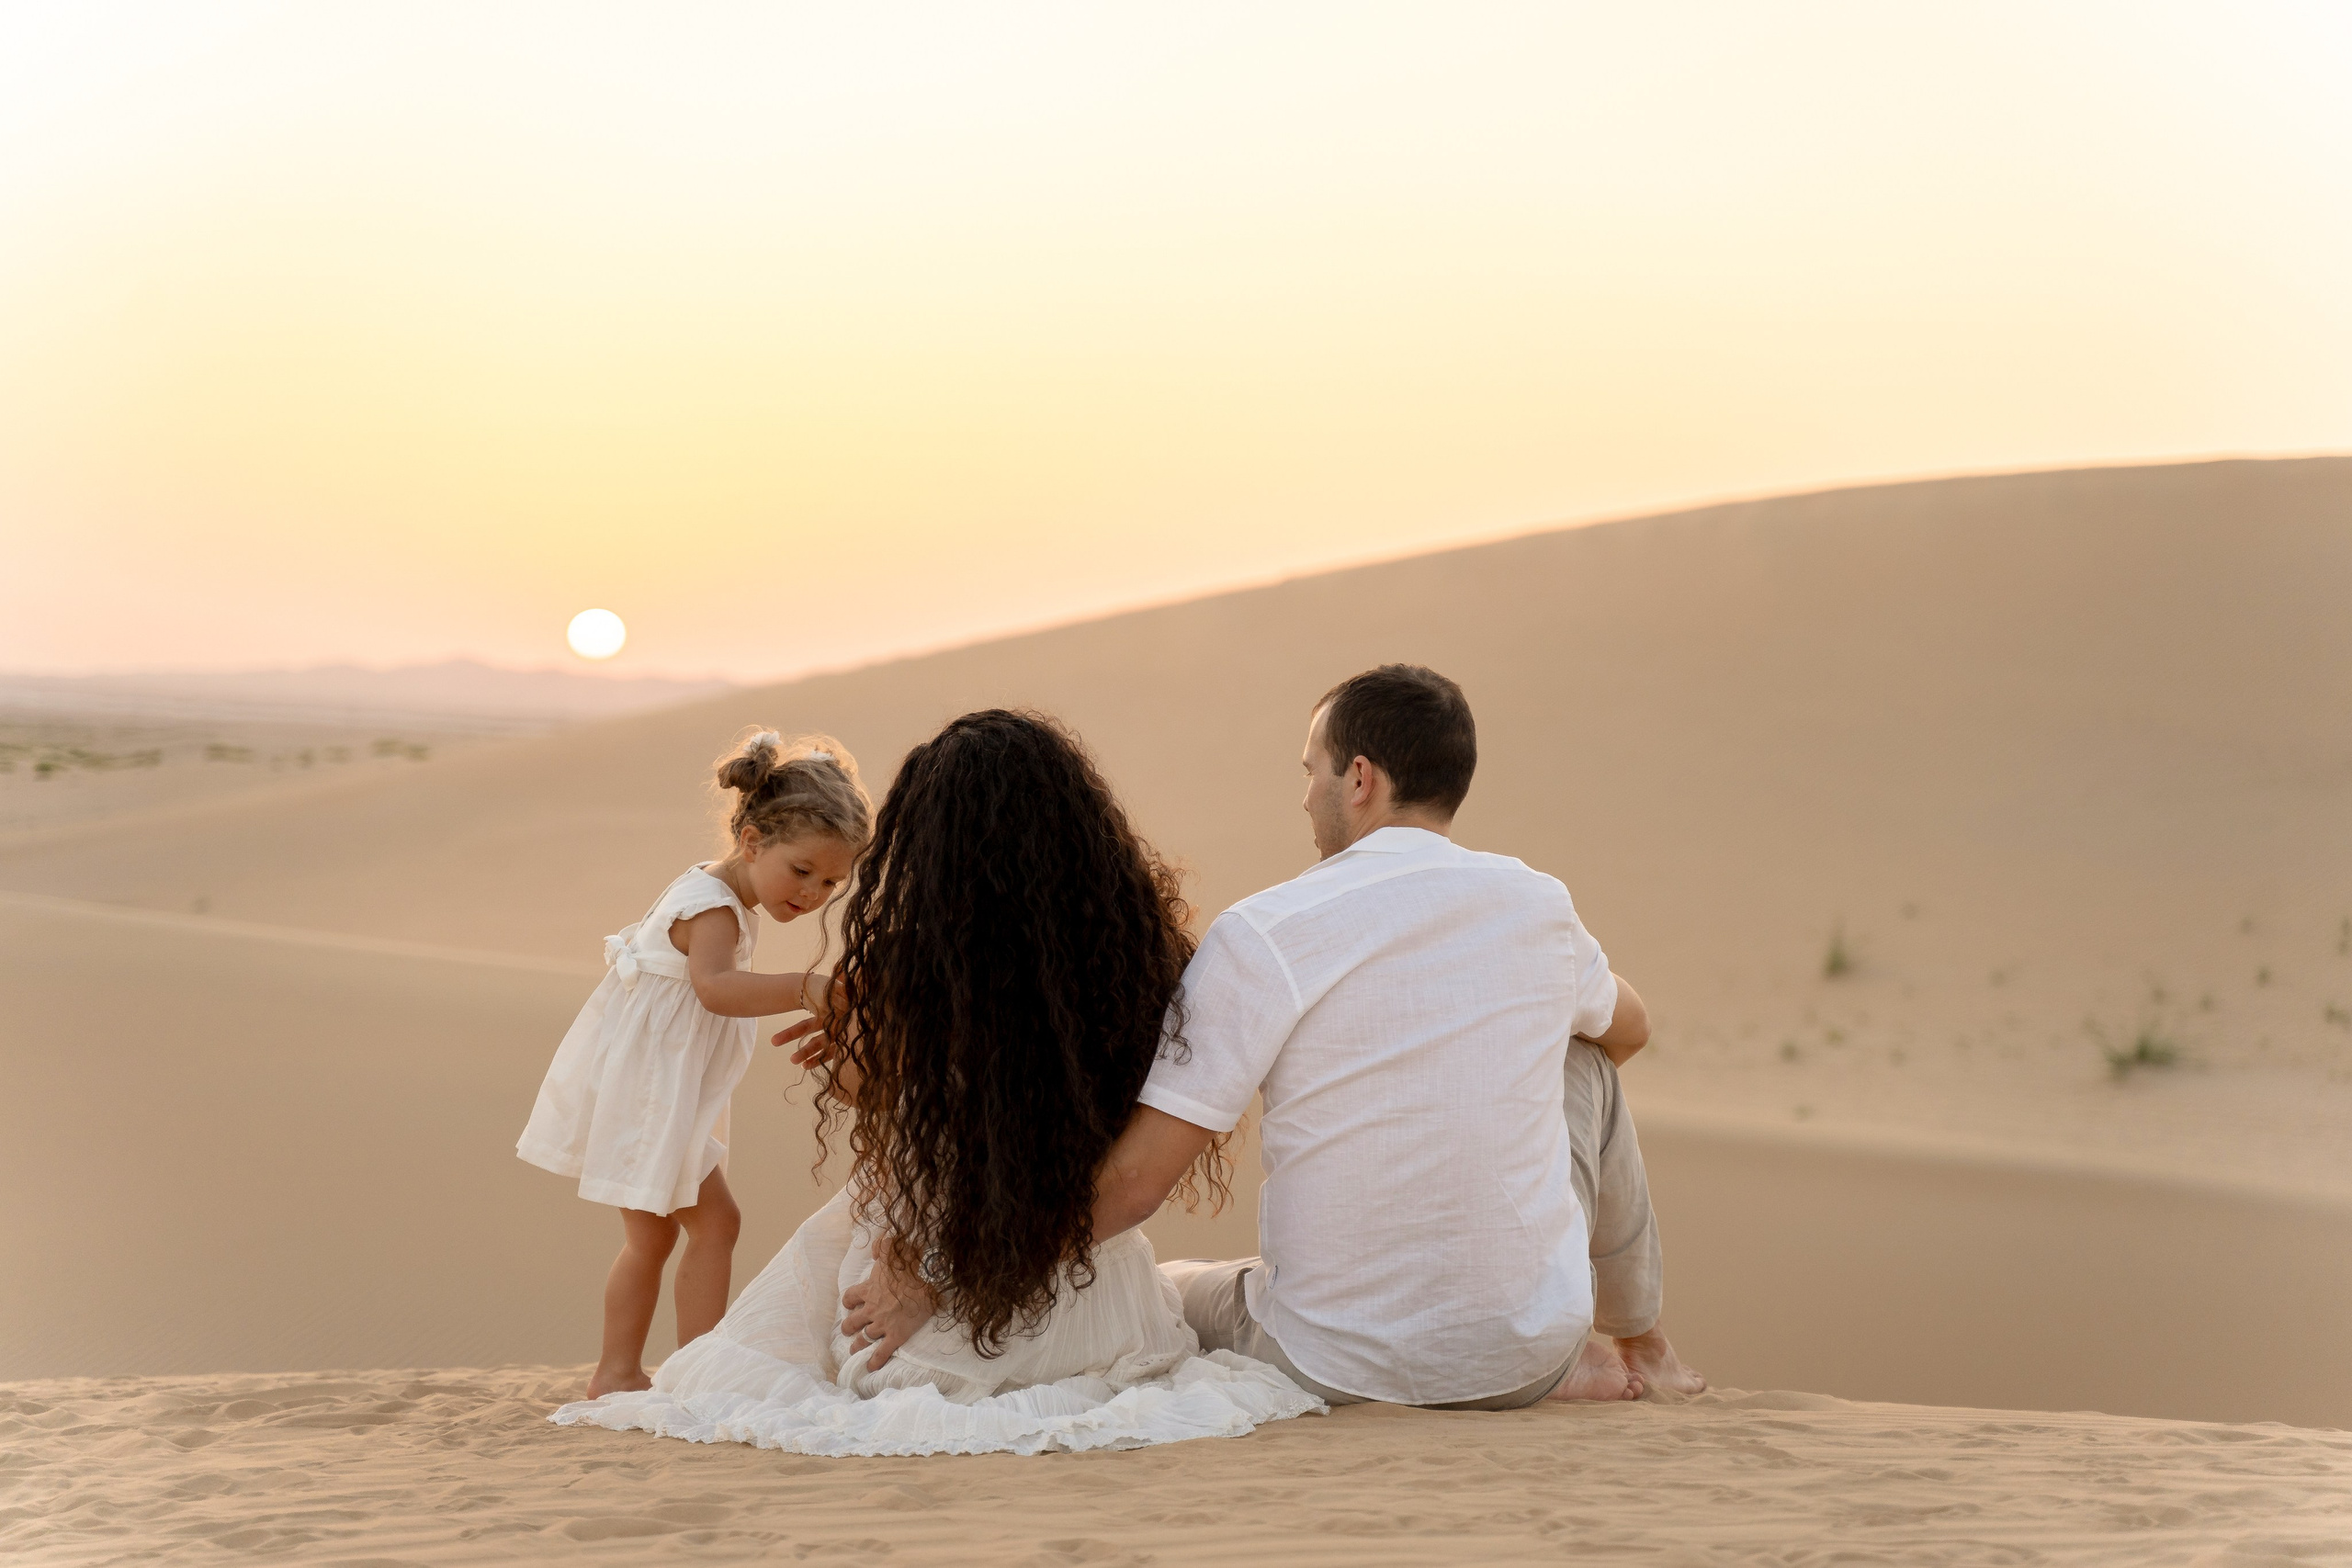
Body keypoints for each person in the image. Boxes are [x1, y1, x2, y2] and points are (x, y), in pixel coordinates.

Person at [551, 711, 1323, 1455]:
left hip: (932, 1290)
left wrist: (862, 1053)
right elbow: (1129, 1177)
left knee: (836, 1364)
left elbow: (876, 1109)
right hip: (1103, 1306)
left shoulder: (917, 966)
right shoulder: (1131, 962)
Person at [1095, 664, 1706, 1408]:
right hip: (1526, 1357)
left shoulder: (1268, 928)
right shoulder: (1537, 903)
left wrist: (982, 1274)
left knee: (1177, 1284)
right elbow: (1630, 1029)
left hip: (1329, 1365)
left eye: (1311, 770)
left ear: (1360, 779)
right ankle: (1642, 1342)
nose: (1305, 795)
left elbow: (1137, 1186)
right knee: (1589, 1056)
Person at [516, 729, 873, 1399]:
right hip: (651, 1097)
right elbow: (715, 988)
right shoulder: (711, 907)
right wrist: (806, 987)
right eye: (802, 871)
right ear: (753, 841)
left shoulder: (721, 892)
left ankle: (633, 1370)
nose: (813, 892)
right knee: (707, 1226)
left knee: (659, 1237)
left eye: (831, 881)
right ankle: (683, 1373)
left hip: (661, 1091)